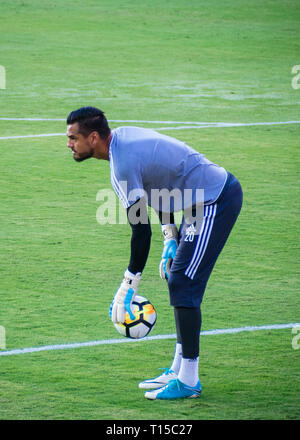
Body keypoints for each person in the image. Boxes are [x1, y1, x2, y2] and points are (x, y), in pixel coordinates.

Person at [66, 106, 243, 400]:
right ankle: (178, 369)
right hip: (195, 202)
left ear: (93, 137)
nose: (69, 144)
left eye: (73, 138)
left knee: (183, 282)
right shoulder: (122, 144)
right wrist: (170, 237)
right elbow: (158, 186)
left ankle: (189, 381)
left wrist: (128, 284)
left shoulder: (122, 163)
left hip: (214, 201)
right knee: (178, 278)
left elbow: (140, 230)